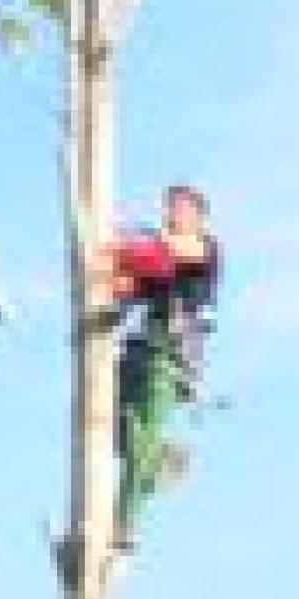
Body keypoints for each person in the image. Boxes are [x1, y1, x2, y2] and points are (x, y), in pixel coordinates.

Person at [104, 183, 221, 553]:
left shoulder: (204, 248)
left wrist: (119, 249)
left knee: (142, 443)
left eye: (180, 209)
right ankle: (163, 459)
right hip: (137, 348)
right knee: (113, 429)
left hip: (169, 354)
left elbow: (161, 256)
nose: (170, 215)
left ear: (199, 218)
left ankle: (124, 523)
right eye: (169, 208)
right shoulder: (158, 254)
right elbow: (128, 285)